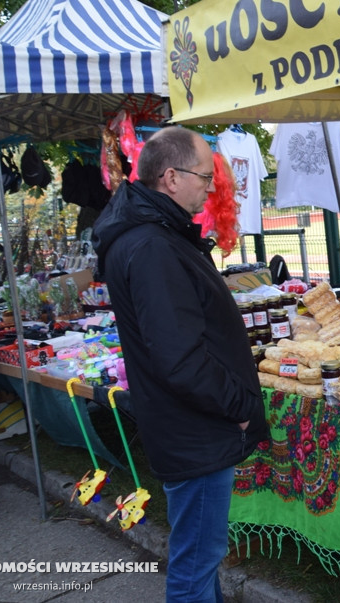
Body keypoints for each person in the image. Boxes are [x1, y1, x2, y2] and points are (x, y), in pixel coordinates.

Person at [92, 126, 268, 603]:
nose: (211, 187)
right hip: (196, 431)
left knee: (201, 559)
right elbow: (180, 359)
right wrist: (238, 407)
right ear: (170, 178)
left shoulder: (156, 235)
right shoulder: (151, 246)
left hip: (190, 428)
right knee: (194, 565)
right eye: (204, 176)